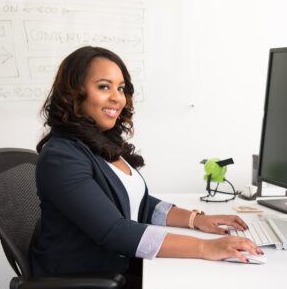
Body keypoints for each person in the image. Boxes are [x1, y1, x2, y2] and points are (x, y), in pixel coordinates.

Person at [31, 46, 262, 288]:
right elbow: (114, 231)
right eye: (103, 86)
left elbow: (140, 204)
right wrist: (205, 247)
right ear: (74, 94)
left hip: (115, 268)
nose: (117, 97)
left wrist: (196, 220)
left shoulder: (101, 144)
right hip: (84, 279)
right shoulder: (62, 157)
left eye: (120, 88)